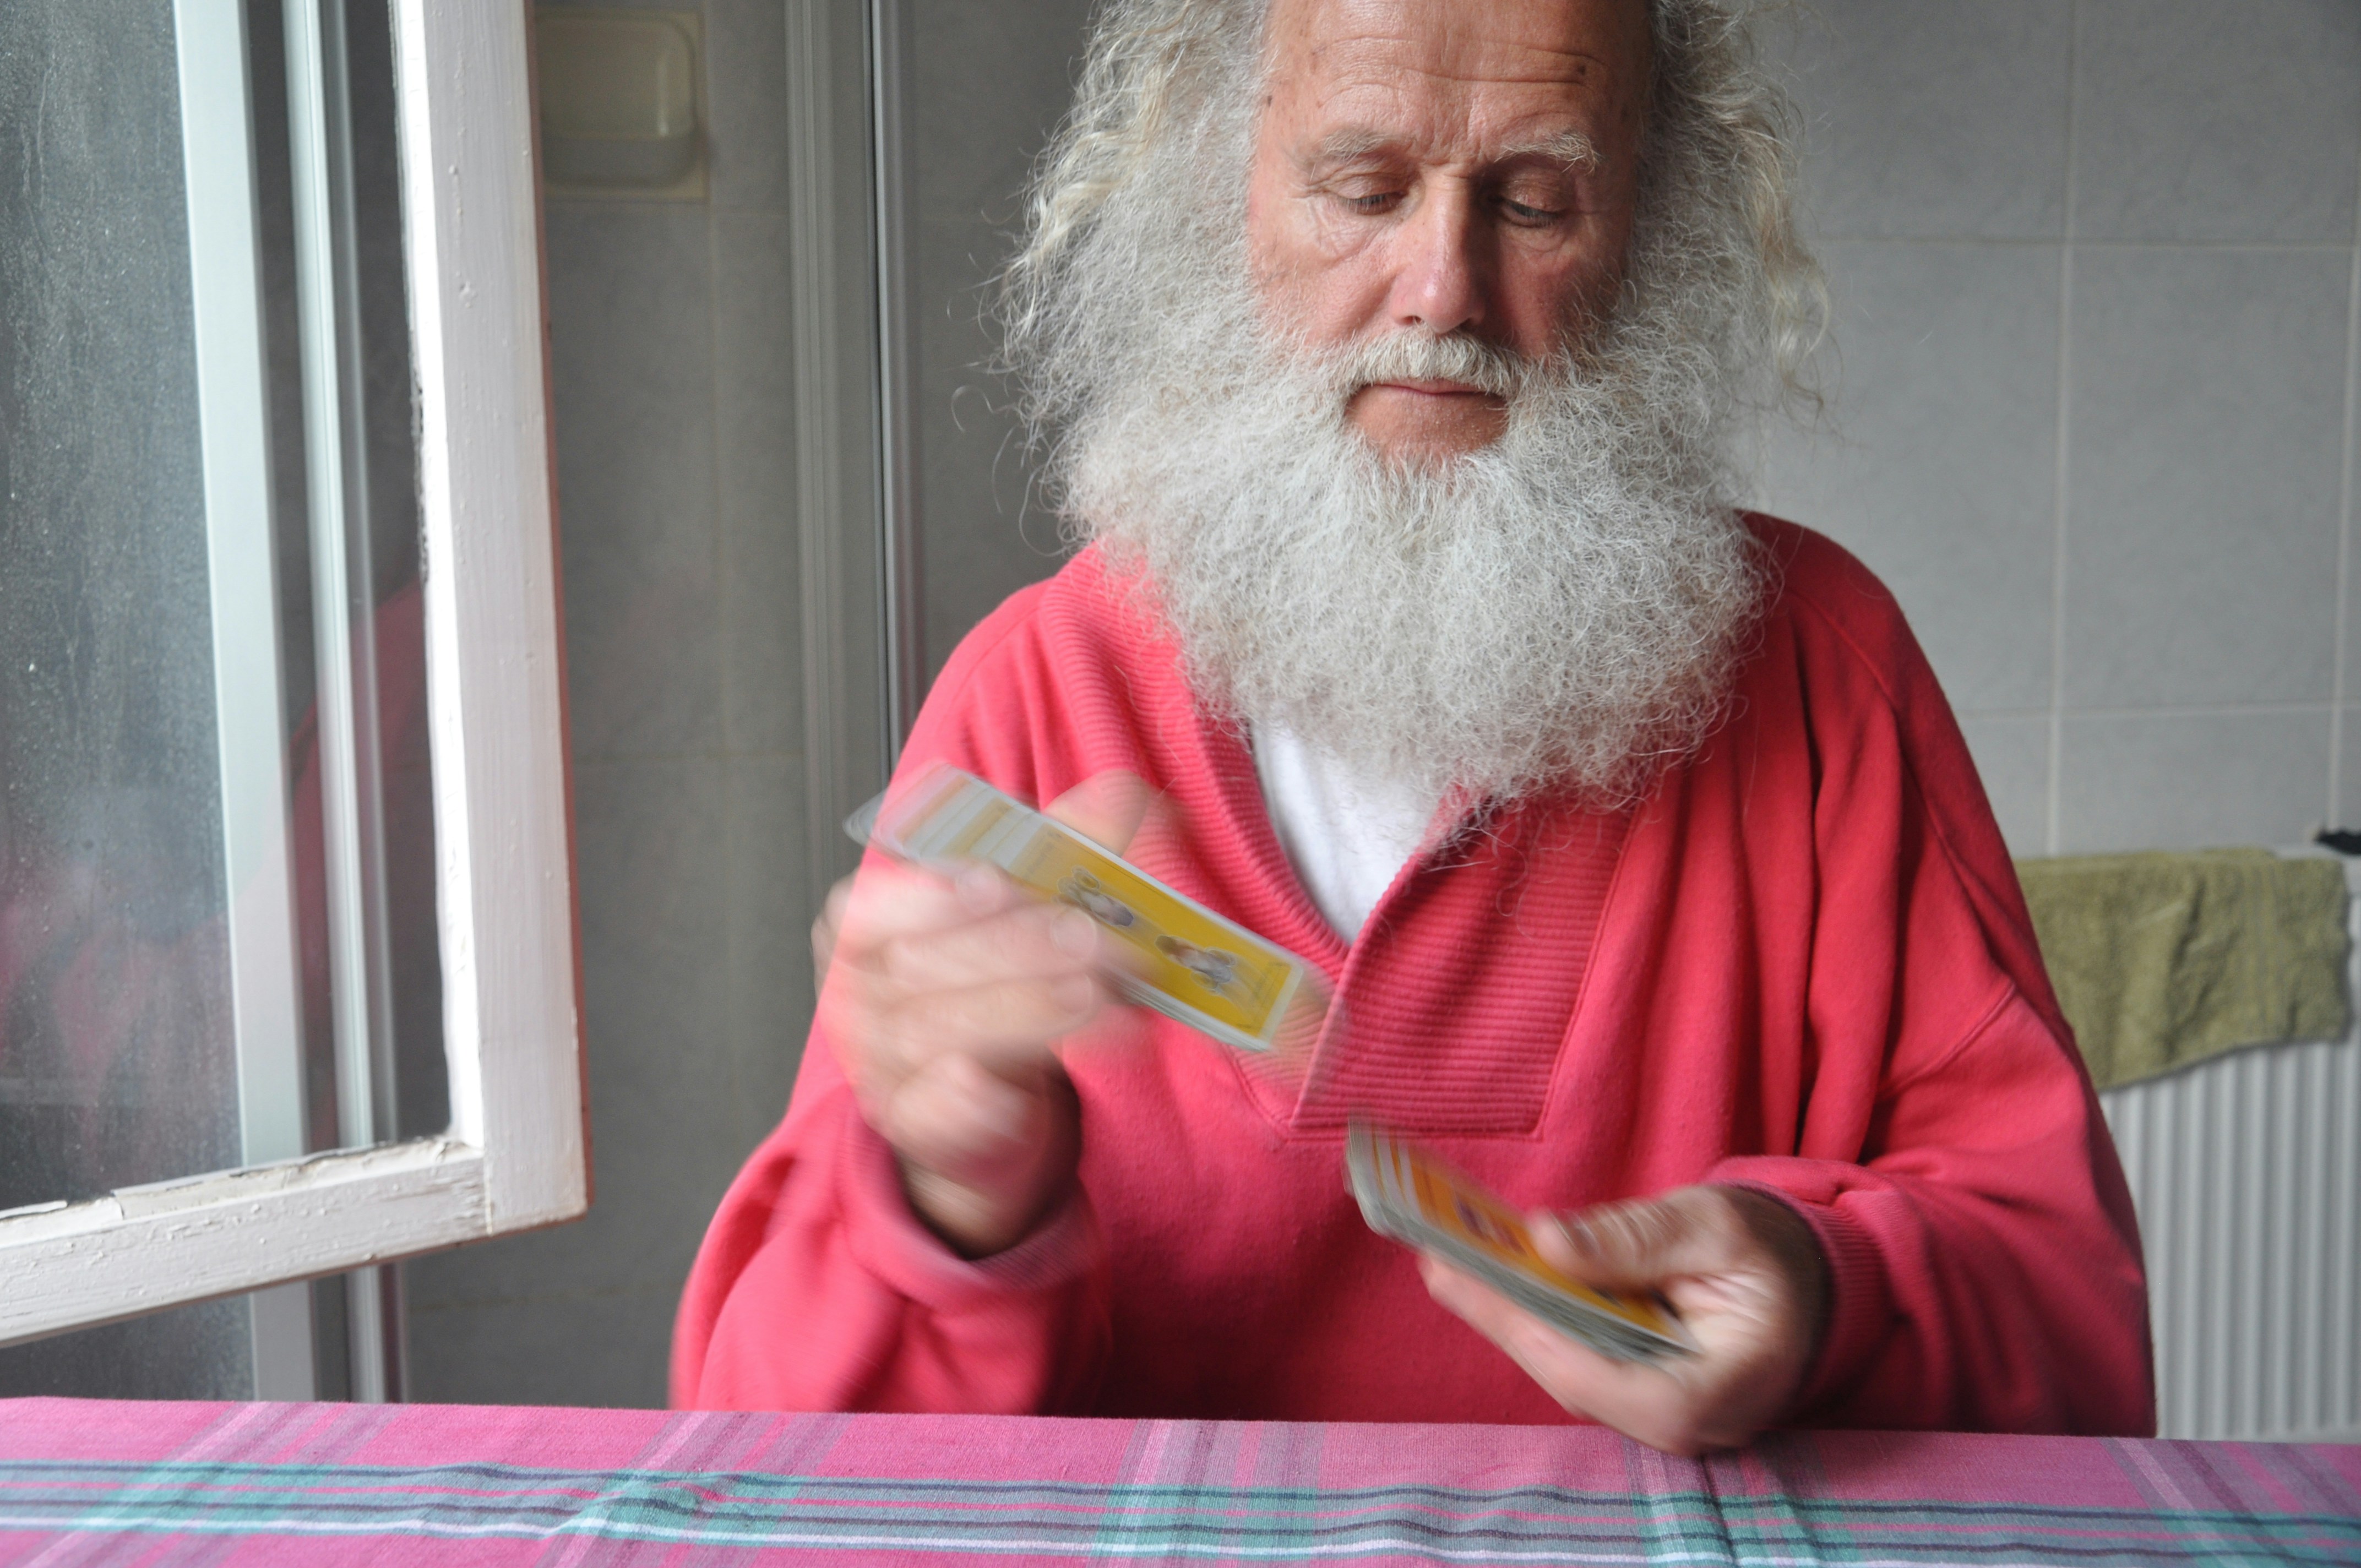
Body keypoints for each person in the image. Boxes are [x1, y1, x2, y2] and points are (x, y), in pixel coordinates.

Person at [672, 0, 2155, 1453]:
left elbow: (2074, 1326)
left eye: (1533, 199)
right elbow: (755, 1448)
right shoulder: (1036, 694)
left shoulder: (1827, 675)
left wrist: (1831, 1294)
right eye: (1364, 188)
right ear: (1219, 191)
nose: (1443, 287)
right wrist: (949, 1205)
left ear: (1651, 227)